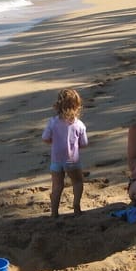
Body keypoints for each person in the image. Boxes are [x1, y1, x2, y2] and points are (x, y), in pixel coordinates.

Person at [42, 88, 88, 217]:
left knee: (57, 186)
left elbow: (45, 138)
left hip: (56, 160)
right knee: (77, 182)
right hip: (72, 160)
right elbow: (84, 143)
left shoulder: (52, 122)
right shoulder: (79, 125)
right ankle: (76, 207)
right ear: (77, 106)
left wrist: (53, 142)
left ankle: (54, 212)